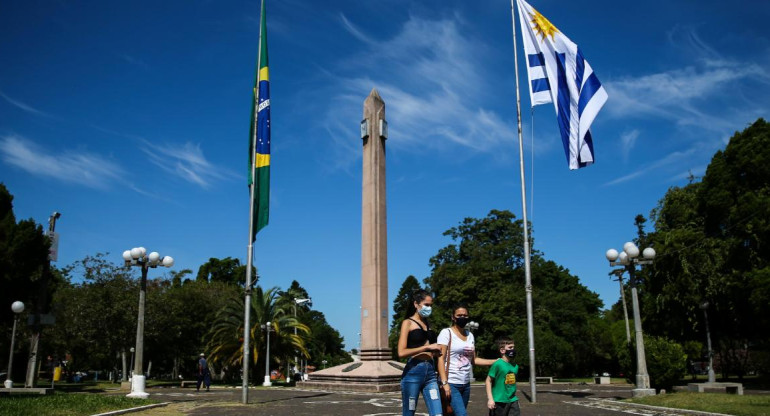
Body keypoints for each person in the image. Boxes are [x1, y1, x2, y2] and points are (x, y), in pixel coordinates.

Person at [436, 304, 496, 416]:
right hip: (451, 383)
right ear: (453, 317)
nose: (462, 317)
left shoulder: (470, 335)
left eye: (465, 315)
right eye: (459, 315)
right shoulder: (446, 333)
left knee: (454, 414)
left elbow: (474, 360)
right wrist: (444, 383)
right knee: (462, 414)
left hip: (465, 384)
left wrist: (496, 361)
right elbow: (440, 359)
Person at [397, 289, 442, 416]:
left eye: (431, 305)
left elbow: (434, 351)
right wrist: (426, 348)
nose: (429, 308)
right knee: (409, 412)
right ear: (416, 304)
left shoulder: (429, 324)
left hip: (431, 373)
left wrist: (437, 351)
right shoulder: (408, 323)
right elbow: (401, 352)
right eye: (426, 305)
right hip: (413, 372)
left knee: (438, 413)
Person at [485, 338, 520, 416]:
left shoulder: (515, 366)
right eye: (510, 348)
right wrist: (490, 399)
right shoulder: (498, 364)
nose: (513, 350)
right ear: (502, 350)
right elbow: (488, 381)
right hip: (499, 401)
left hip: (512, 400)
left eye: (513, 347)